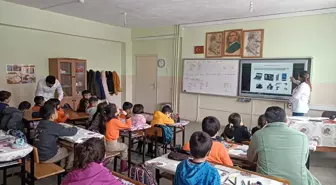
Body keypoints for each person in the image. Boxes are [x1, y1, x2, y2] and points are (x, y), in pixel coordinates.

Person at [247, 106, 321, 185]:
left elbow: (250, 159)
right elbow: (304, 160)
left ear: (265, 121)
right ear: (286, 120)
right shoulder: (302, 137)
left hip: (269, 182)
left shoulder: (258, 135)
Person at [34, 104, 78, 170]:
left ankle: (62, 166)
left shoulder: (40, 123)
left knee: (62, 146)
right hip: (47, 157)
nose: (57, 112)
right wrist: (75, 127)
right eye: (56, 112)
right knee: (72, 149)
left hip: (38, 155)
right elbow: (72, 132)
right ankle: (68, 169)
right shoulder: (53, 126)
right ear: (52, 116)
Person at [104, 103, 131, 172]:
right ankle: (123, 168)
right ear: (114, 111)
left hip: (105, 143)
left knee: (119, 146)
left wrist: (118, 115)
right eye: (117, 108)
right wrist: (127, 116)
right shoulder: (114, 121)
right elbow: (128, 126)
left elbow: (116, 122)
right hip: (112, 145)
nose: (119, 109)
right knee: (125, 147)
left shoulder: (108, 118)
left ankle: (106, 161)